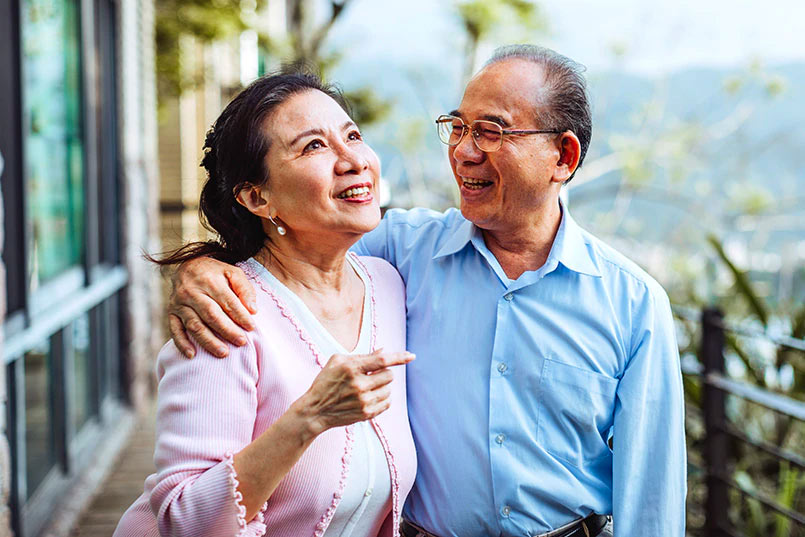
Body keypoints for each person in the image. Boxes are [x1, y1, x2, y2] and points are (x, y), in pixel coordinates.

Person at [168, 45, 687, 537]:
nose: (463, 151)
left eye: (490, 132)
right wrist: (204, 266)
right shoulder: (400, 254)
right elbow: (297, 243)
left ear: (563, 157)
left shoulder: (633, 303)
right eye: (458, 128)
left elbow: (652, 495)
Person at [113, 72, 417, 537]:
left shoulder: (389, 283)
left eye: (352, 135)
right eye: (314, 146)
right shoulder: (225, 315)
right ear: (258, 197)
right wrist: (310, 416)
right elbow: (182, 520)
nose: (353, 159)